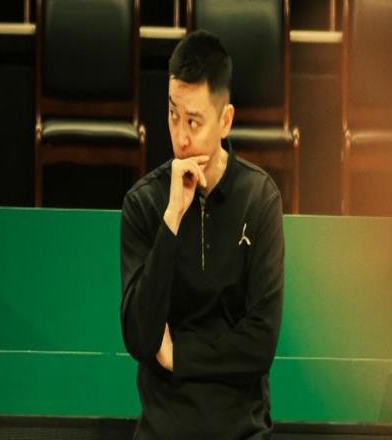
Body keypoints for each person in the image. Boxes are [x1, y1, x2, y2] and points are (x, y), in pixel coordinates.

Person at [120, 29, 284, 440]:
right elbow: (140, 338)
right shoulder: (144, 203)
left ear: (225, 120)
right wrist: (173, 216)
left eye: (193, 121)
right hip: (165, 431)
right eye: (173, 115)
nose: (180, 136)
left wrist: (179, 357)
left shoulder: (260, 198)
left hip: (241, 431)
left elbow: (261, 343)